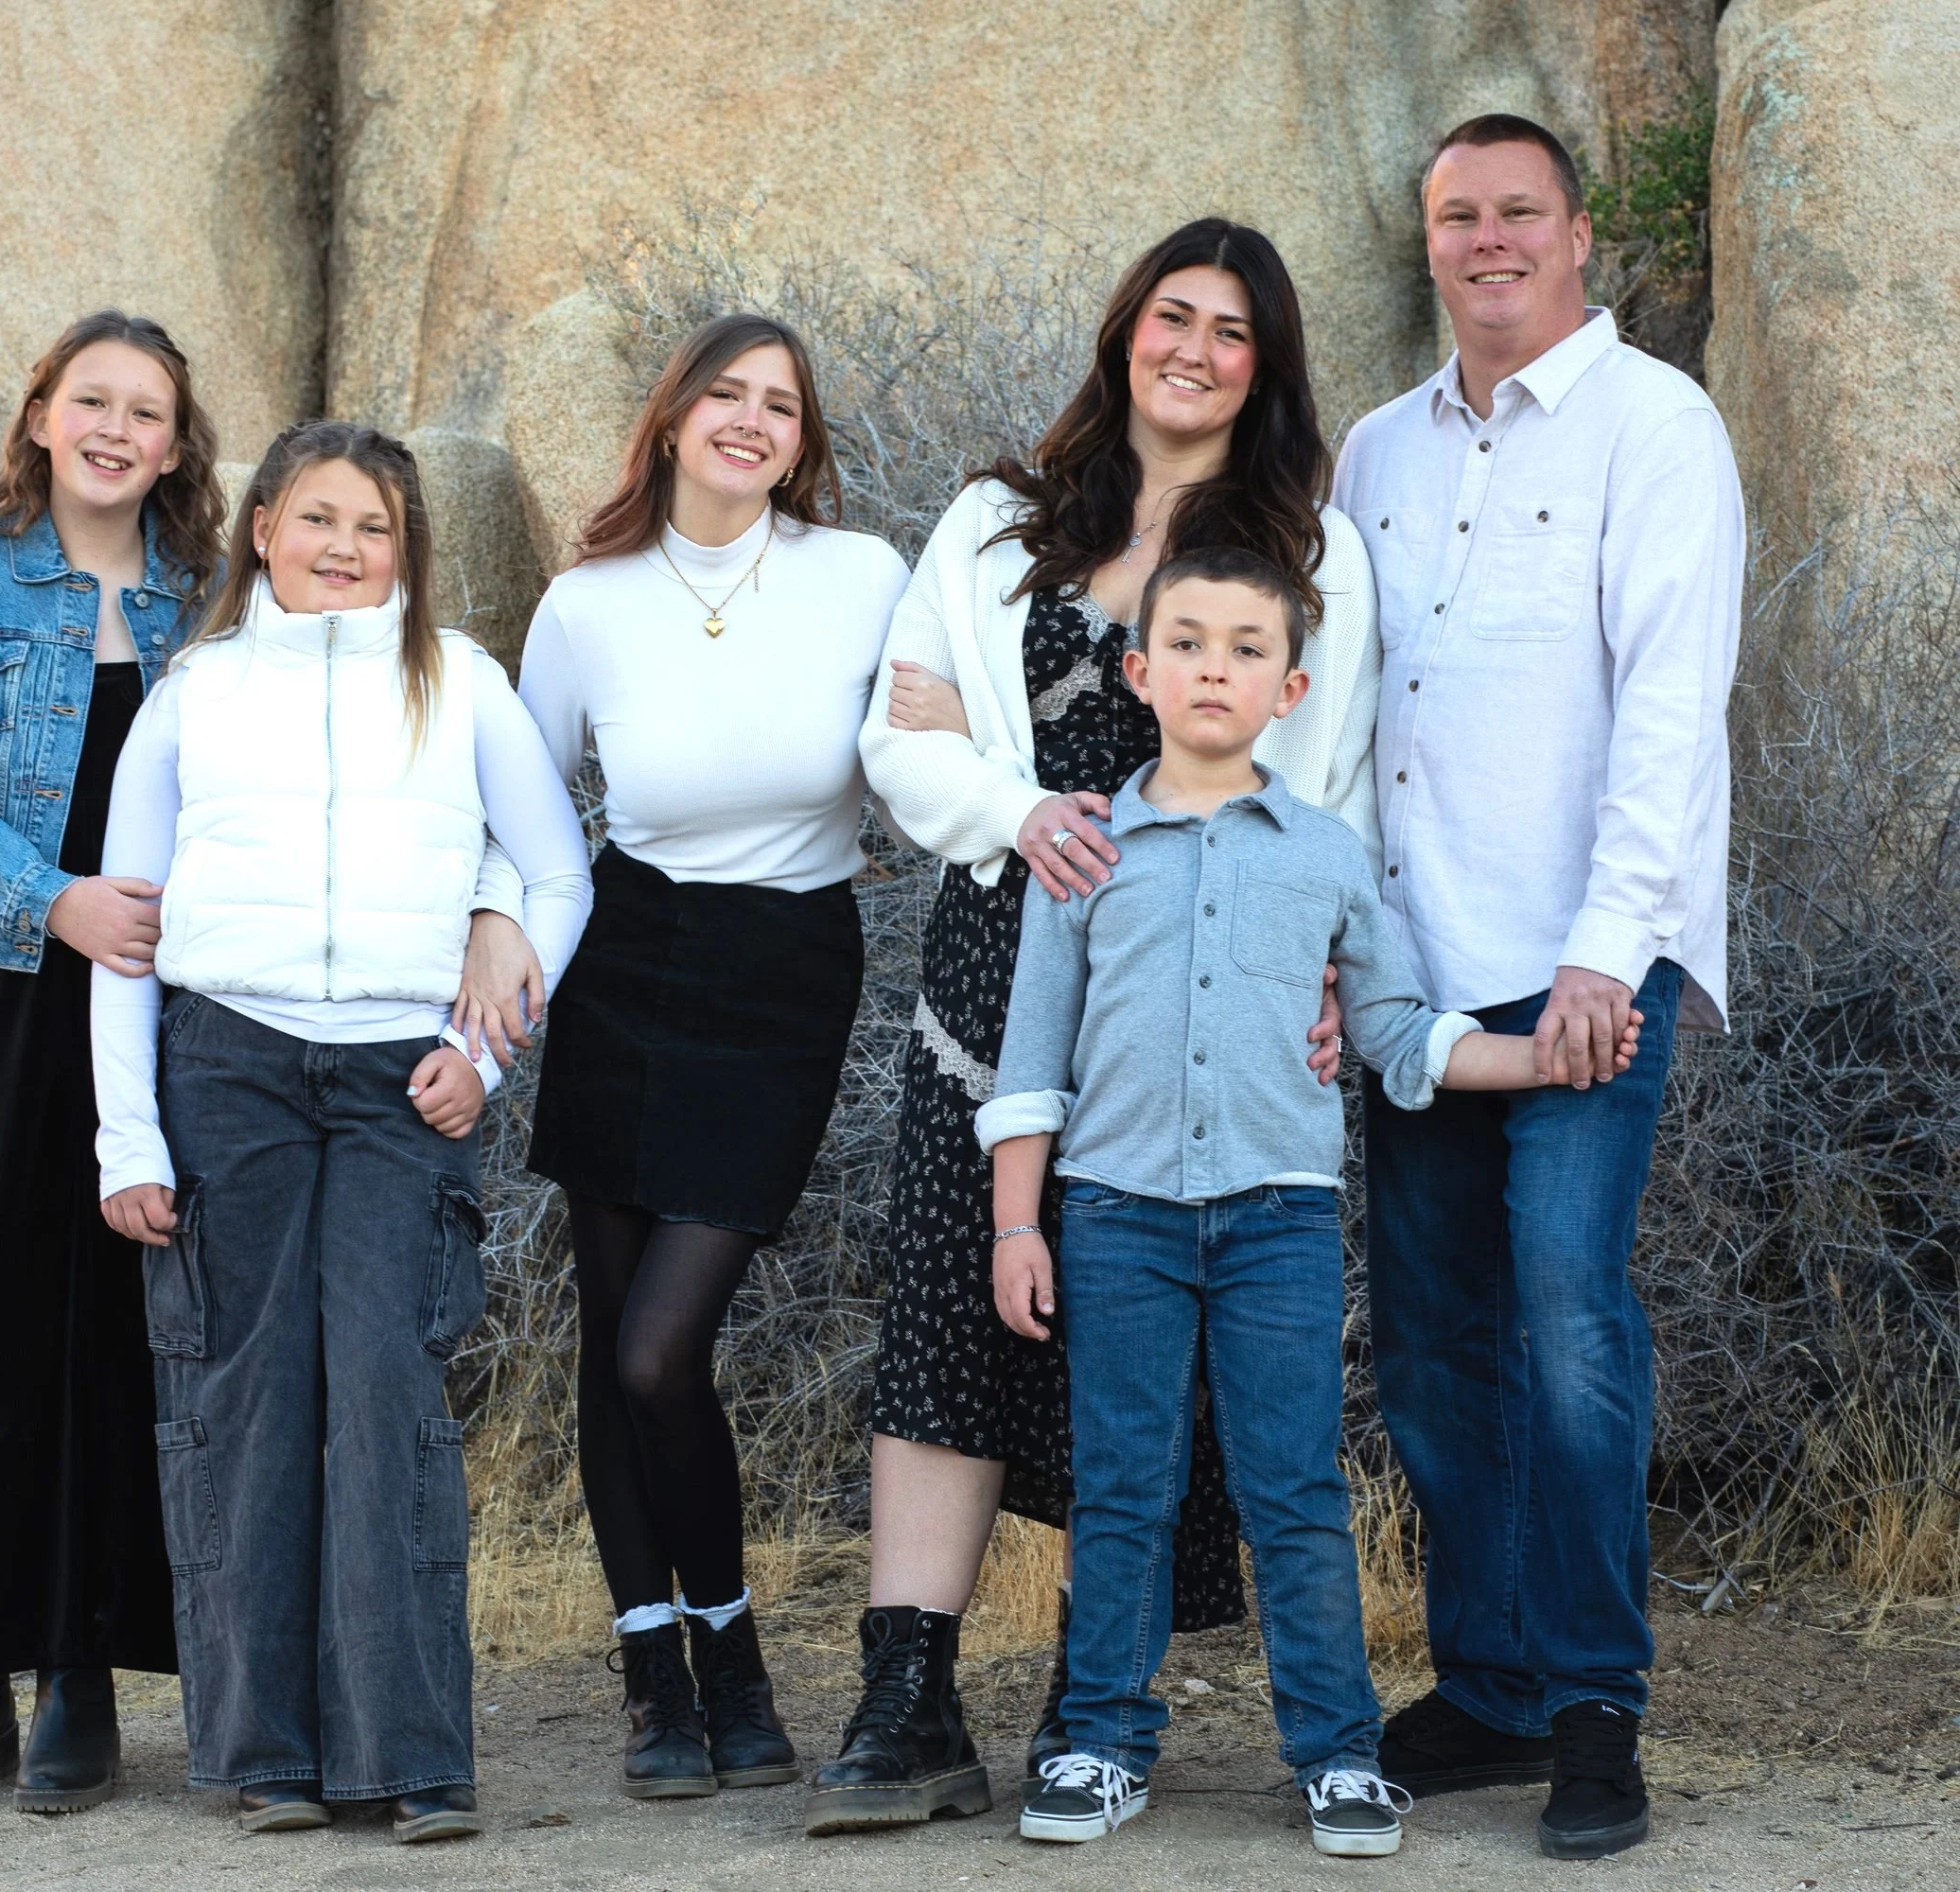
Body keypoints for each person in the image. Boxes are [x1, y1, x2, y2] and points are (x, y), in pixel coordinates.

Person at [816, 219, 1378, 1835]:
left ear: (1265, 368)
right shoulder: (996, 525)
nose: (1194, 349)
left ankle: (1094, 1698)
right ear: (1127, 329)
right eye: (1172, 316)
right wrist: (1017, 804)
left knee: (1136, 1332)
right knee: (956, 1300)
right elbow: (900, 738)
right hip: (1005, 955)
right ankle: (909, 1697)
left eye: (1232, 331)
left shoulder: (1314, 552)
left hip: (1205, 985)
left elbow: (1328, 780)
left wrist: (1319, 970)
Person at [982, 547, 1644, 1858]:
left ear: (1289, 690)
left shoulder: (1331, 859)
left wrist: (1541, 1057)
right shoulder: (1086, 854)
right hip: (1115, 1217)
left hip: (1276, 1223)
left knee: (1294, 1488)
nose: (1212, 668)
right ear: (1140, 671)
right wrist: (1017, 1226)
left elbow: (1395, 1034)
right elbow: (1030, 1058)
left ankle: (1338, 1755)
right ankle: (1100, 1741)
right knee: (1124, 1486)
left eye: (1245, 649)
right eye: (1186, 643)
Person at [1331, 114, 1742, 1862]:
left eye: (1519, 212)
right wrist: (1339, 954)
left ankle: (1593, 1710)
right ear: (1429, 243)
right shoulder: (1375, 450)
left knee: (1571, 1330)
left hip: (1585, 972)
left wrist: (1604, 947)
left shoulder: (1657, 425)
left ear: (1578, 236)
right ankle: (1491, 1687)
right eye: (1457, 215)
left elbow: (1671, 706)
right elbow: (1339, 716)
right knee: (1435, 1346)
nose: (1487, 239)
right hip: (1416, 974)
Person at [91, 423, 591, 1837]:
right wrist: (128, 1137)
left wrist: (479, 1056)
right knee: (246, 1404)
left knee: (387, 1398)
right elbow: (127, 930)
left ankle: (412, 1756)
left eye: (375, 526)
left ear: (406, 547)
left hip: (399, 1081)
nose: (345, 548)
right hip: (227, 1068)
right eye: (317, 518)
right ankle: (266, 1755)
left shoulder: (461, 681)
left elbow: (558, 875)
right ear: (262, 528)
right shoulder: (195, 692)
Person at [515, 313, 910, 1798]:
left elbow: (925, 750)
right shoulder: (585, 604)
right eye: (726, 395)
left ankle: (730, 1646)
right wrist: (500, 945)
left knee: (659, 1347)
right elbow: (529, 811)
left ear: (802, 441)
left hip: (784, 975)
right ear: (673, 417)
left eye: (781, 405)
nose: (751, 421)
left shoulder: (860, 577)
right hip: (624, 965)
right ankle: (659, 1684)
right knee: (608, 1348)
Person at [0, 310, 224, 1813]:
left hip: (170, 987)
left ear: (176, 444)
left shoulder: (211, 600)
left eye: (146, 411)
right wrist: (53, 899)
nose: (115, 429)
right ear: (39, 416)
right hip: (16, 979)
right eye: (93, 401)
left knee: (120, 1312)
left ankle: (83, 1667)